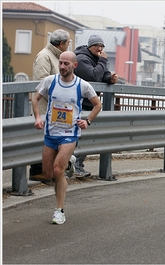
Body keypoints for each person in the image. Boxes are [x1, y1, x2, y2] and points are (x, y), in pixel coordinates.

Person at [31, 51, 102, 224]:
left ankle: (59, 210)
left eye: (66, 64)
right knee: (47, 174)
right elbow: (35, 97)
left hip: (69, 134)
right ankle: (69, 163)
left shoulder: (82, 85)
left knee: (57, 170)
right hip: (51, 133)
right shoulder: (50, 81)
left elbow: (97, 105)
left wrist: (88, 121)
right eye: (61, 63)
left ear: (74, 66)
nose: (62, 67)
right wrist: (38, 117)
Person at [30, 29, 74, 182]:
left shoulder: (56, 57)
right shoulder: (44, 56)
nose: (69, 46)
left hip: (55, 107)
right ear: (61, 44)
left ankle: (49, 170)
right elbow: (43, 82)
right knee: (43, 139)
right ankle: (38, 171)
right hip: (45, 106)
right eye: (68, 43)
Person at [73, 34, 118, 178]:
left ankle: (77, 166)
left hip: (89, 104)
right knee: (80, 136)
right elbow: (93, 76)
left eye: (102, 46)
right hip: (79, 104)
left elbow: (101, 74)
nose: (100, 49)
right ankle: (74, 165)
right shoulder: (81, 59)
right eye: (97, 46)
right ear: (89, 46)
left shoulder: (95, 59)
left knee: (85, 136)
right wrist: (103, 60)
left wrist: (109, 78)